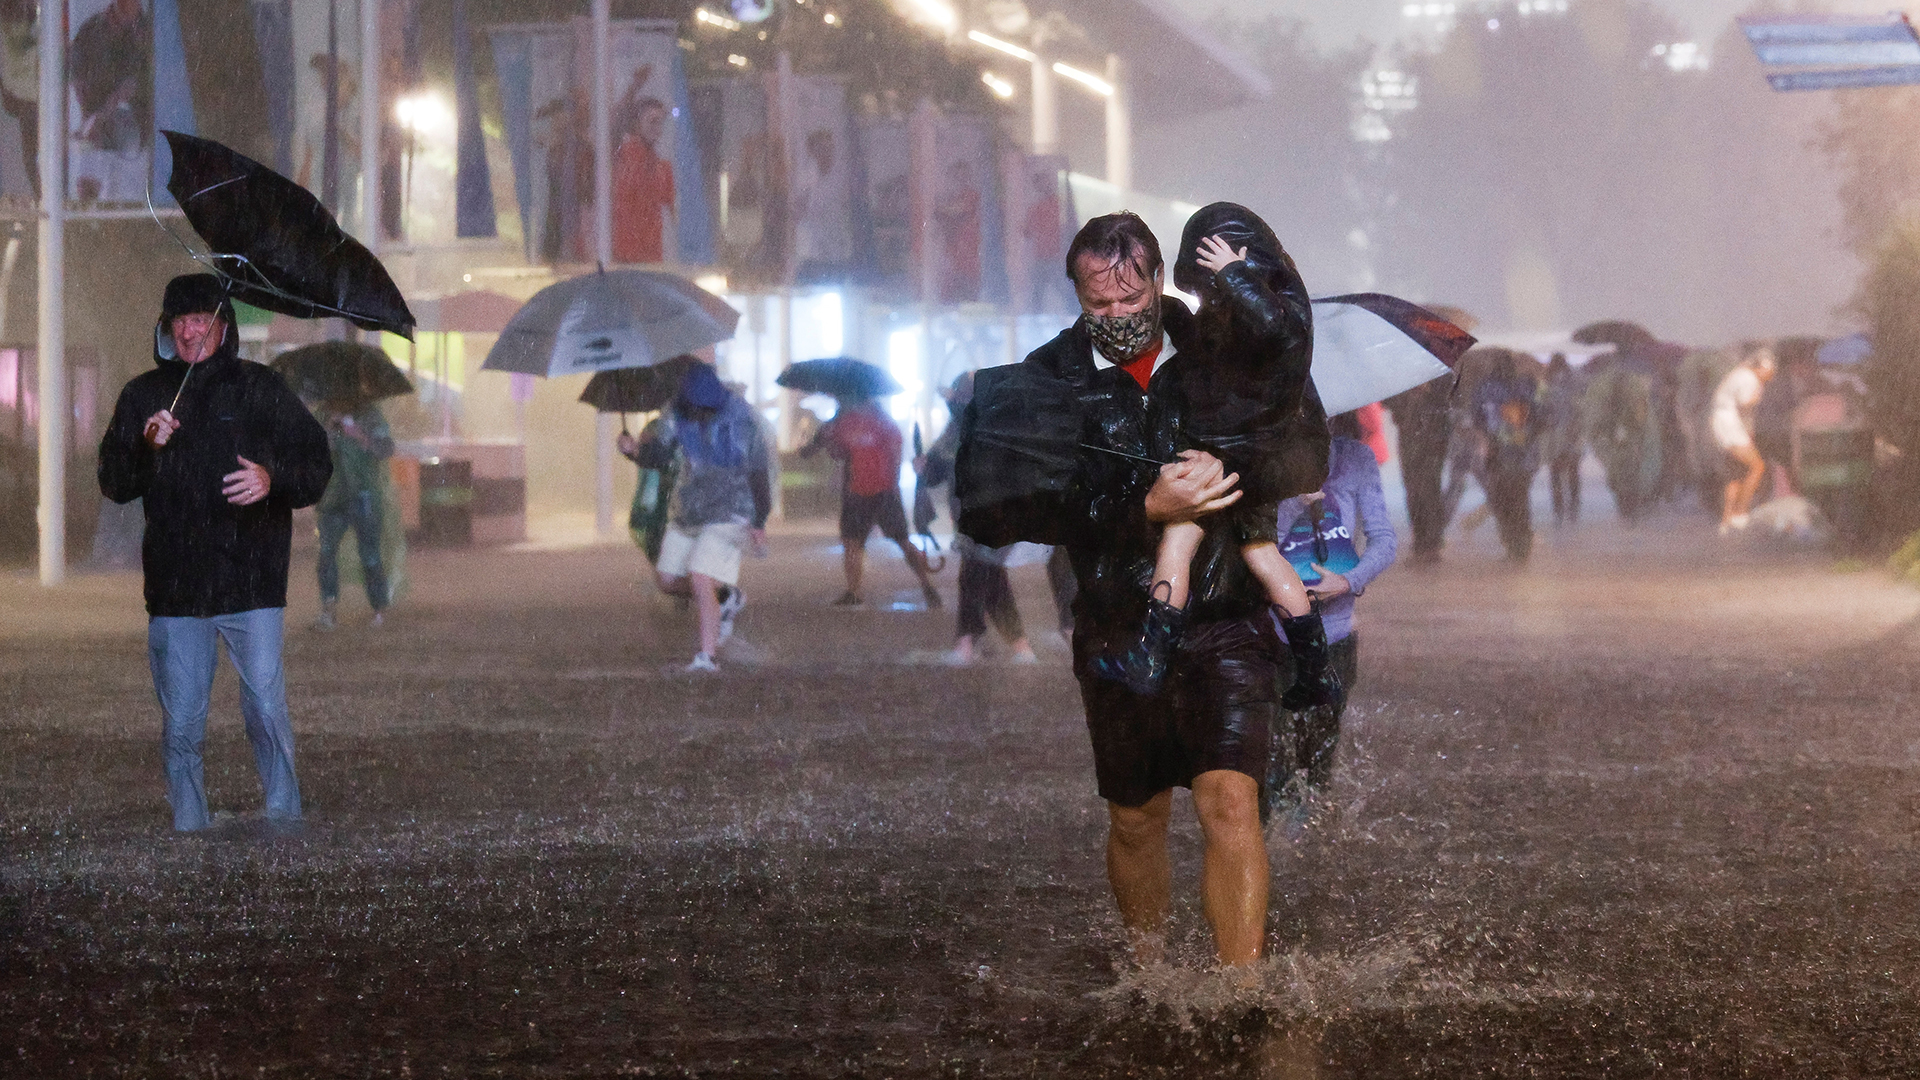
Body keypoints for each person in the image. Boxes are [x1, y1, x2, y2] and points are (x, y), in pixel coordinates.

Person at [956, 211, 1340, 969]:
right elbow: (992, 511)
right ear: (1076, 294)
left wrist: (1226, 473)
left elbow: (1307, 455)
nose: (1117, 315)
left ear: (1159, 279)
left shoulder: (1225, 343)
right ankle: (1150, 970)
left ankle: (1240, 987)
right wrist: (1143, 505)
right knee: (1137, 818)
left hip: (1227, 616)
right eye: (1098, 304)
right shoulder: (1046, 383)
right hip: (1118, 624)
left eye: (1131, 300)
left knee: (1231, 801)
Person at [97, 273, 333, 832]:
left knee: (266, 710)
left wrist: (273, 479)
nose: (190, 332)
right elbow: (114, 481)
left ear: (224, 327)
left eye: (202, 320)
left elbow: (316, 463)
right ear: (166, 328)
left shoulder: (261, 388)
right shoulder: (143, 395)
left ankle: (283, 818)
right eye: (180, 321)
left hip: (252, 582)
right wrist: (145, 447)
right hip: (177, 589)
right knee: (181, 723)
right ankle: (189, 826)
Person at [1087, 213, 1328, 695]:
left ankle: (1151, 657)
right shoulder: (1256, 325)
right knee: (1263, 554)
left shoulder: (1279, 318)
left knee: (1179, 539)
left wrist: (1232, 271)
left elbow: (1272, 326)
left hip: (1227, 456)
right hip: (1255, 456)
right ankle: (1317, 671)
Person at [1272, 412, 1398, 809]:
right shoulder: (1266, 458)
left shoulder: (1355, 458)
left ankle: (1309, 833)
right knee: (1272, 761)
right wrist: (1294, 502)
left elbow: (1384, 539)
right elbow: (1255, 544)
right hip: (1272, 633)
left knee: (1317, 764)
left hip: (1336, 634)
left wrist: (1347, 581)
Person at [618, 362, 770, 672]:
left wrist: (759, 519)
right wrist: (634, 452)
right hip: (690, 511)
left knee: (700, 576)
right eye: (694, 408)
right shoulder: (676, 413)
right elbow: (659, 455)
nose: (699, 415)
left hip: (731, 512)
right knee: (667, 580)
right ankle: (725, 597)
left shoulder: (743, 420)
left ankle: (706, 657)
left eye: (705, 408)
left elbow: (758, 473)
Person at [921, 372, 1037, 665]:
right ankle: (1019, 646)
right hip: (969, 518)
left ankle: (967, 642)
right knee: (990, 578)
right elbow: (935, 473)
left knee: (974, 575)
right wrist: (925, 466)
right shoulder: (955, 432)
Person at [803, 393, 942, 610]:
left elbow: (838, 453)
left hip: (864, 492)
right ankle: (925, 585)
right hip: (878, 491)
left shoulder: (851, 423)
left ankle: (855, 591)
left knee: (856, 542)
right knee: (894, 540)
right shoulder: (880, 423)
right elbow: (892, 455)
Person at [311, 400, 394, 631]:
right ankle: (328, 609)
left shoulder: (370, 413)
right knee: (326, 553)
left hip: (364, 494)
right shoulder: (323, 413)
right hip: (332, 496)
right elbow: (309, 450)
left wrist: (359, 435)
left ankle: (379, 609)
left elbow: (387, 448)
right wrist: (328, 429)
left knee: (370, 555)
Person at [1475, 351, 1544, 562]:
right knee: (1519, 501)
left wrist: (1486, 441)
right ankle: (1521, 545)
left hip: (1497, 455)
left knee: (1502, 501)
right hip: (1523, 456)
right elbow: (1540, 419)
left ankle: (1513, 544)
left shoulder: (1485, 388)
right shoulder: (1527, 386)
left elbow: (1477, 420)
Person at [1711, 344, 1777, 534]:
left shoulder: (1739, 373)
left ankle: (1726, 520)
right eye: (1770, 372)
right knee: (1757, 467)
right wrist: (1758, 396)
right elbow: (1745, 404)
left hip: (1722, 423)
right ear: (1762, 367)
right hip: (1730, 424)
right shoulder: (1750, 379)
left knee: (1736, 473)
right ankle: (1740, 513)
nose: (1771, 376)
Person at [1540, 353, 1586, 526]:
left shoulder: (1547, 384)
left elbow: (1543, 410)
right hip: (1571, 433)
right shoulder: (1574, 382)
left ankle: (1559, 510)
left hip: (1554, 435)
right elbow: (1580, 408)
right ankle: (1573, 507)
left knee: (1556, 473)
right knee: (1573, 471)